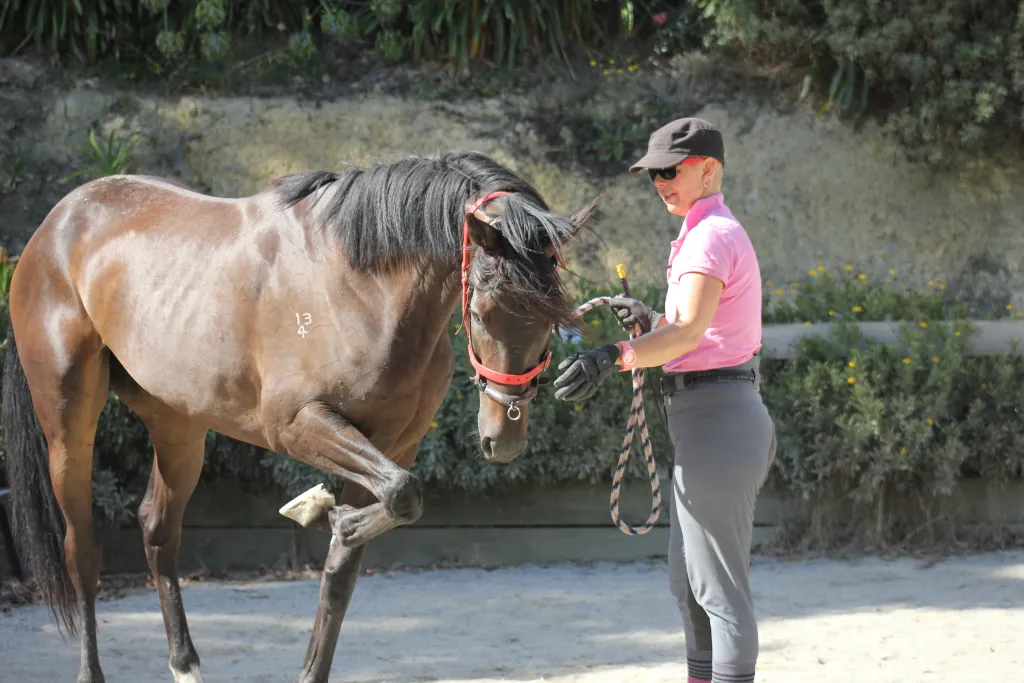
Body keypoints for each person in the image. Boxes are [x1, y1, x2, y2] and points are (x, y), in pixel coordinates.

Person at [553, 117, 775, 683]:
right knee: (690, 587)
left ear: (710, 170)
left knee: (719, 595)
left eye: (671, 171)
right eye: (654, 174)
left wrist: (615, 354)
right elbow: (695, 331)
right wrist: (651, 321)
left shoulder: (710, 236)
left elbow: (687, 336)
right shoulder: (703, 233)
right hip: (707, 420)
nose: (660, 182)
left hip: (718, 421)